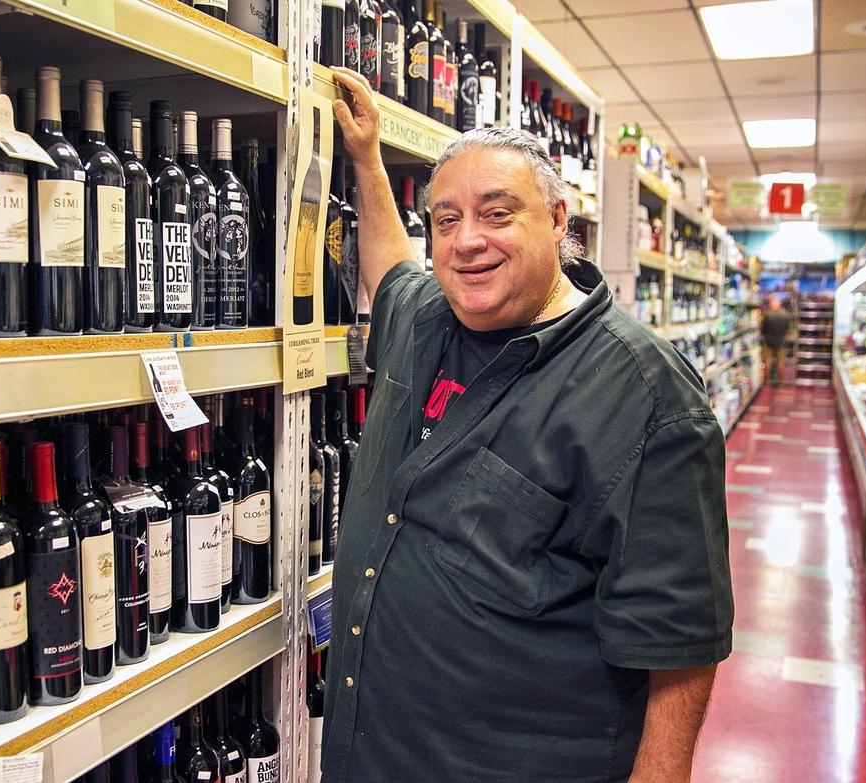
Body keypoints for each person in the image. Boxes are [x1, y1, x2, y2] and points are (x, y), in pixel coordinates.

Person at [319, 67, 733, 783]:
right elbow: (389, 271)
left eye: (497, 213)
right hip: (375, 753)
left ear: (559, 220)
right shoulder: (426, 319)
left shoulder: (649, 398)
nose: (466, 241)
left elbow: (680, 651)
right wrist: (367, 159)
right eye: (446, 220)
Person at [760, 294, 792, 385]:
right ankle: (780, 380)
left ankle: (767, 381)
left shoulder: (767, 315)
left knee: (768, 361)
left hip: (768, 341)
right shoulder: (785, 314)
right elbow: (787, 328)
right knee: (781, 362)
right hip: (780, 341)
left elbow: (763, 329)